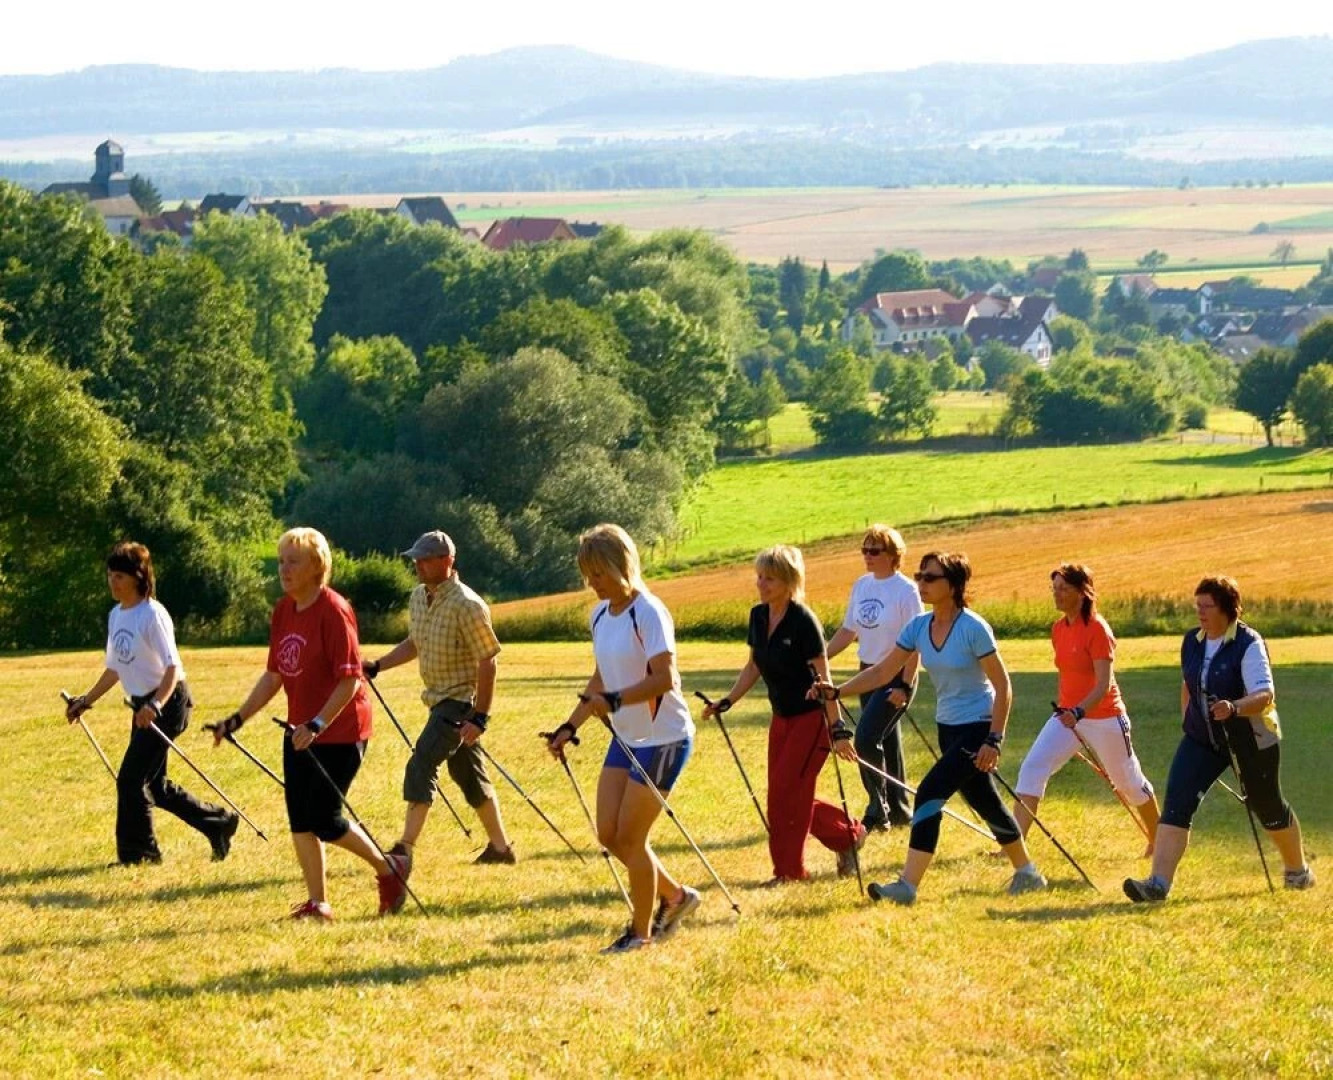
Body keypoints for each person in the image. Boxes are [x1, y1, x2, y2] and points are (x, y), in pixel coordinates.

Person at [812, 551, 1046, 905]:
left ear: (952, 585)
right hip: (947, 727)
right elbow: (882, 672)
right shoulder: (919, 627)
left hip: (977, 728)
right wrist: (838, 690)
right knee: (986, 801)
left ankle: (907, 885)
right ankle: (1028, 873)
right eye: (920, 576)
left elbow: (1003, 687)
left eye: (930, 578)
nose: (921, 583)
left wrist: (995, 740)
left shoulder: (973, 628)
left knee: (929, 794)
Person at [213, 527, 407, 920]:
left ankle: (390, 870)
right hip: (299, 732)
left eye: (293, 561)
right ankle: (319, 903)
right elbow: (273, 677)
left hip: (340, 731)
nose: (283, 569)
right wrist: (236, 719)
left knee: (324, 818)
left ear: (316, 566)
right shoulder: (284, 610)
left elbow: (351, 678)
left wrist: (317, 723)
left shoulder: (334, 611)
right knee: (300, 820)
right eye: (281, 561)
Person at [546, 524, 700, 954]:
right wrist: (569, 726)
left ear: (622, 566)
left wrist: (614, 700)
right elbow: (600, 677)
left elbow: (664, 679)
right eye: (587, 574)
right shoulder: (600, 615)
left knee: (632, 840)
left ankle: (641, 933)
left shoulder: (648, 612)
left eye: (599, 573)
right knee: (610, 835)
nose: (592, 583)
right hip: (627, 738)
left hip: (664, 739)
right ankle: (677, 897)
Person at [1124, 575, 1316, 902]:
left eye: (1207, 606)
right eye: (1197, 605)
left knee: (1267, 804)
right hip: (1203, 739)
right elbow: (1189, 682)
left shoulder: (1248, 642)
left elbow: (1265, 694)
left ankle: (1297, 871)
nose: (1199, 612)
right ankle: (1157, 885)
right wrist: (1189, 719)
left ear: (1227, 608)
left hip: (1251, 738)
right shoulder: (1192, 641)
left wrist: (1235, 707)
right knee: (1177, 803)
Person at [65, 542, 238, 866]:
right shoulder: (117, 615)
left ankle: (141, 854)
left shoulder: (152, 615)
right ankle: (219, 824)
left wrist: (156, 705)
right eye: (110, 575)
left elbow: (172, 667)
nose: (113, 582)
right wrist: (85, 702)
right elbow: (116, 668)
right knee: (154, 787)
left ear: (137, 577)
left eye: (119, 576)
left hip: (168, 702)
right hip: (143, 706)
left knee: (130, 779)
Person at [703, 544, 863, 886]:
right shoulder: (758, 616)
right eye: (759, 576)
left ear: (790, 581)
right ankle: (848, 835)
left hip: (811, 719)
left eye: (770, 578)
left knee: (787, 794)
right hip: (782, 719)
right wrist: (727, 702)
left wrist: (838, 728)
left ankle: (789, 872)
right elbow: (753, 666)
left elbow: (825, 680)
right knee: (783, 794)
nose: (761, 584)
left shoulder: (803, 621)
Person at [362, 530, 514, 868]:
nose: (418, 564)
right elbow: (414, 642)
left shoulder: (468, 604)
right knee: (470, 777)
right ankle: (501, 849)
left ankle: (404, 848)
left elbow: (488, 661)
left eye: (426, 558)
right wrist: (377, 666)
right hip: (437, 700)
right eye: (416, 558)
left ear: (448, 561)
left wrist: (480, 716)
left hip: (459, 703)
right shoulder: (419, 597)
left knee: (421, 764)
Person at [1012, 564, 1160, 855]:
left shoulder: (1097, 629)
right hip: (1066, 718)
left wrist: (1079, 712)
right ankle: (1014, 846)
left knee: (1128, 783)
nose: (1057, 595)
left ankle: (1160, 841)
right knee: (1032, 768)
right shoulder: (1057, 629)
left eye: (1063, 589)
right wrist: (1071, 713)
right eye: (1054, 588)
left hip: (1104, 718)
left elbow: (1103, 683)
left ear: (1082, 592)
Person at [825, 525, 923, 832]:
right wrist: (819, 658)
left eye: (874, 551)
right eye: (864, 550)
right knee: (886, 741)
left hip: (896, 675)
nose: (867, 556)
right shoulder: (862, 585)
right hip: (867, 673)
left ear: (893, 556)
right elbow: (848, 631)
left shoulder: (906, 591)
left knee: (866, 739)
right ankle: (899, 809)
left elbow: (917, 640)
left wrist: (905, 685)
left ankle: (876, 809)